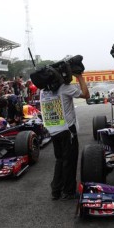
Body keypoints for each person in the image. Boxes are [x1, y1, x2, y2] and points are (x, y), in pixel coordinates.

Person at [40, 73, 89, 201]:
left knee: (60, 160)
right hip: (67, 130)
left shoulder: (43, 91)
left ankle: (56, 191)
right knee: (70, 161)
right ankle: (69, 191)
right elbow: (86, 95)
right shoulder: (65, 88)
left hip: (53, 129)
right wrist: (79, 77)